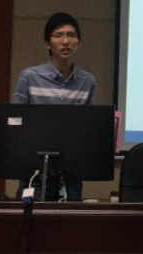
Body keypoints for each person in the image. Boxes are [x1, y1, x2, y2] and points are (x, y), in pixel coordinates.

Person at [12, 12, 96, 201]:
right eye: (58, 35)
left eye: (71, 35)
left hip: (71, 173)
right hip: (34, 171)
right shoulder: (30, 77)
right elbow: (15, 122)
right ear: (47, 43)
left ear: (79, 43)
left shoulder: (87, 81)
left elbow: (87, 127)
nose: (65, 41)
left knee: (69, 219)